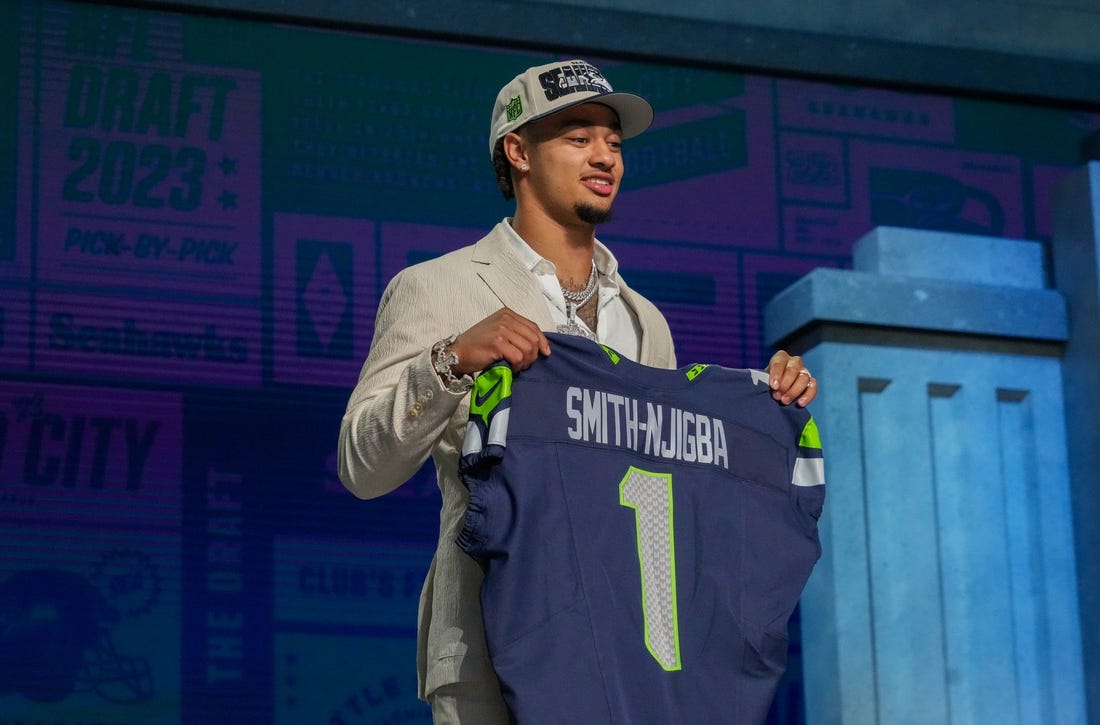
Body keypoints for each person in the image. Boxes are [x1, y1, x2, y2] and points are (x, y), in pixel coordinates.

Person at [337, 58, 818, 724]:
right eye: (579, 136)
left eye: (614, 143)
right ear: (518, 151)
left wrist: (766, 407)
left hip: (624, 660)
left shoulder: (645, 319)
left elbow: (673, 486)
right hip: (489, 656)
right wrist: (452, 360)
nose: (605, 156)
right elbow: (362, 466)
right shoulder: (438, 288)